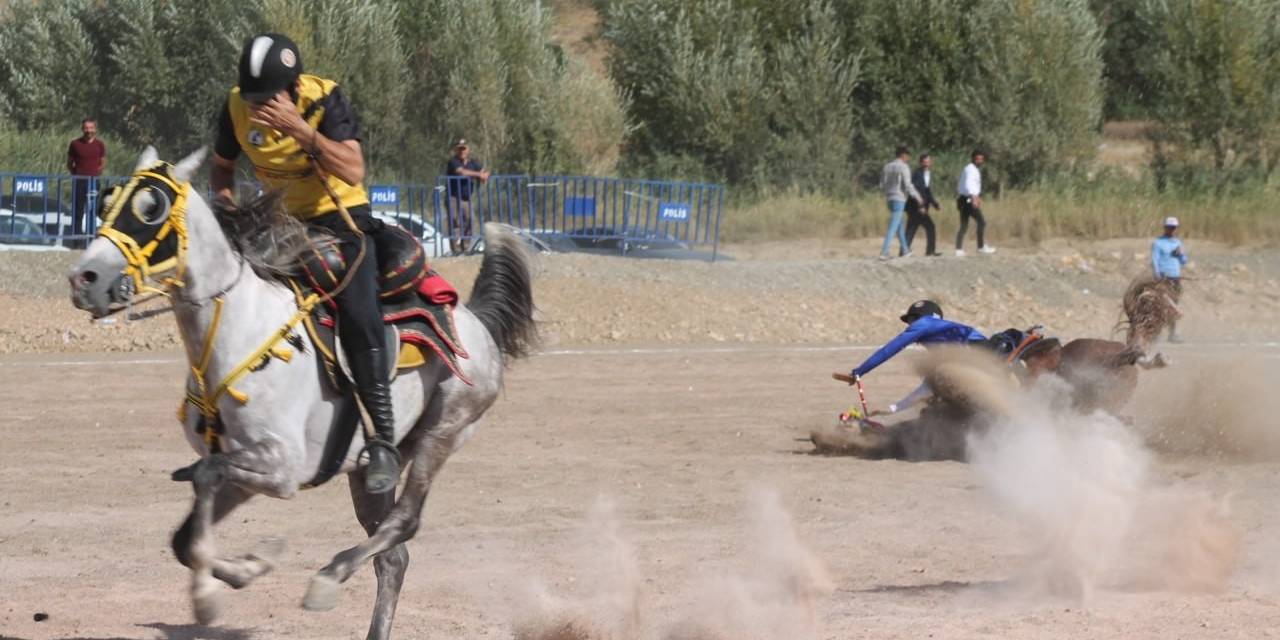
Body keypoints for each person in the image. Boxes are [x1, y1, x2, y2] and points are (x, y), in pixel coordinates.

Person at [210, 33, 399, 494]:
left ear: (292, 90)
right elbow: (221, 165)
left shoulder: (324, 98)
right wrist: (227, 207)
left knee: (358, 314)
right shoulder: (235, 105)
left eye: (267, 98)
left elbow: (354, 169)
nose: (257, 107)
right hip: (278, 226)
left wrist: (302, 131)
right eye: (252, 98)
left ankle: (383, 443)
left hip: (341, 221)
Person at [849, 300, 987, 415]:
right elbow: (927, 387)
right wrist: (893, 409)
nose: (910, 325)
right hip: (987, 360)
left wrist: (860, 371)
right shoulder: (946, 343)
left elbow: (890, 349)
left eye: (911, 320)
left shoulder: (924, 323)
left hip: (977, 358)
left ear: (920, 317)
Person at [445, 139, 489, 255]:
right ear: (456, 150)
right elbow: (461, 172)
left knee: (470, 220)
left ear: (468, 149)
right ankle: (456, 249)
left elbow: (484, 171)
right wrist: (478, 174)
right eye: (460, 149)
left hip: (466, 197)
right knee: (454, 221)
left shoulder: (473, 163)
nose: (462, 151)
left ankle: (466, 247)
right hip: (453, 197)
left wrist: (485, 175)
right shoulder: (453, 161)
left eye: (464, 148)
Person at [67, 118, 106, 248]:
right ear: (82, 129)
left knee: (92, 211)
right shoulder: (75, 144)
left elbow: (103, 162)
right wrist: (76, 174)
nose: (88, 130)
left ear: (95, 129)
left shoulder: (100, 144)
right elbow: (69, 163)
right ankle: (77, 241)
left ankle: (90, 240)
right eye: (86, 128)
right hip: (79, 182)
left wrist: (96, 174)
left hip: (94, 182)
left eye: (91, 128)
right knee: (78, 211)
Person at [879, 145, 921, 260]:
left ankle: (905, 250)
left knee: (899, 225)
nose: (908, 158)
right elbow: (908, 185)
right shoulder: (903, 167)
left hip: (889, 199)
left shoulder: (887, 166)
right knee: (893, 226)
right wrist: (918, 197)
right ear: (903, 155)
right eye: (907, 156)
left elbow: (882, 184)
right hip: (899, 198)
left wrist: (887, 193)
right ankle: (884, 251)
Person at [1151, 216, 1188, 343]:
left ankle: (1172, 334)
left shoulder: (1177, 243)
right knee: (1162, 305)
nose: (1171, 230)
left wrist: (1180, 254)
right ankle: (1155, 333)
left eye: (1174, 228)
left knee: (1173, 306)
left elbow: (1184, 261)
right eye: (1169, 227)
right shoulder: (1158, 243)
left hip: (1175, 278)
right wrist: (1157, 275)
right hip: (1163, 277)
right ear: (1165, 228)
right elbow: (1154, 260)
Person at [955, 149, 995, 256]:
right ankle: (980, 247)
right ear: (973, 158)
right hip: (967, 199)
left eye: (981, 159)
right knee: (981, 222)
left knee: (964, 225)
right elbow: (968, 185)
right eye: (978, 159)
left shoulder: (973, 169)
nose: (980, 161)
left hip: (965, 199)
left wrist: (977, 196)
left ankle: (958, 249)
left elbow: (972, 185)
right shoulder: (970, 169)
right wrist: (974, 197)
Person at [904, 153, 942, 257]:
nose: (927, 164)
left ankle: (904, 250)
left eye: (928, 162)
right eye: (925, 162)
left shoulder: (927, 174)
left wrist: (935, 204)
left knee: (912, 228)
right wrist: (920, 206)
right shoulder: (917, 174)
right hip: (915, 206)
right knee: (930, 227)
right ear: (921, 163)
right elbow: (915, 191)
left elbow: (927, 191)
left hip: (920, 206)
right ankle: (930, 251)